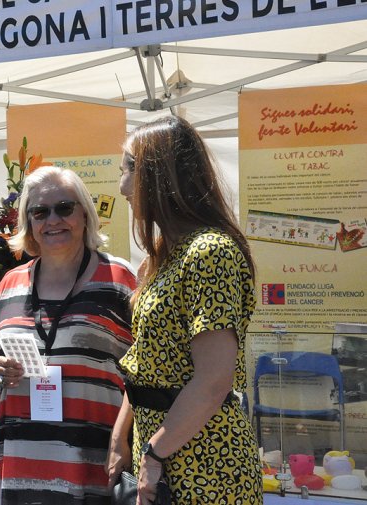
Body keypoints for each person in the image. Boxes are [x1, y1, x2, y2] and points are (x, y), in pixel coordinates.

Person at [107, 116, 262, 504]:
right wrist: (120, 437)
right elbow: (146, 360)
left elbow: (213, 381)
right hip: (164, 446)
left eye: (127, 169)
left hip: (204, 457)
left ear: (160, 176)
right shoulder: (163, 256)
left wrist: (154, 455)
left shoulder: (209, 252)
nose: (121, 186)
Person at [0, 165, 137, 505]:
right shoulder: (9, 285)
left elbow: (149, 366)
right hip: (24, 464)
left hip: (96, 461)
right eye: (40, 212)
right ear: (29, 223)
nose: (53, 220)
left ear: (85, 215)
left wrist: (124, 439)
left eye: (64, 208)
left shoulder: (119, 280)